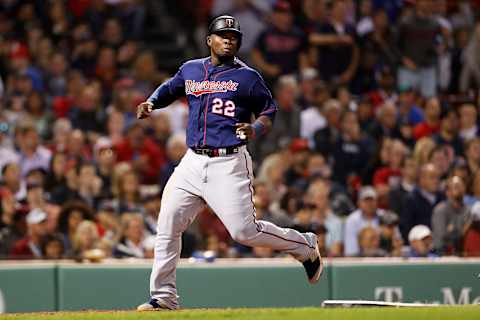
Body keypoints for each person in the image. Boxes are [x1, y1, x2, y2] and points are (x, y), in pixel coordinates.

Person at [135, 15, 322, 311]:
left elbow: (268, 110)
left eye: (233, 36)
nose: (228, 40)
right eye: (223, 35)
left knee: (244, 233)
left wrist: (255, 129)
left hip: (229, 162)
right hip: (192, 161)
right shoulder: (191, 69)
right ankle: (164, 297)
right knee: (168, 223)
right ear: (209, 40)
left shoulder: (247, 77)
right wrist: (151, 102)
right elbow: (170, 88)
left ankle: (304, 245)